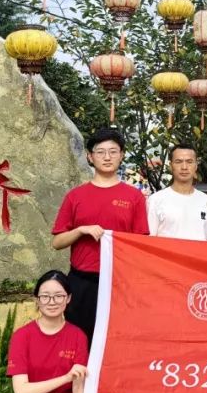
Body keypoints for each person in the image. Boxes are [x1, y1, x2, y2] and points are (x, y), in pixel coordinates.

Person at [51, 127, 148, 342]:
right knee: (79, 340)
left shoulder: (134, 197)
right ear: (90, 156)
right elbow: (57, 242)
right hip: (82, 282)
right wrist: (80, 230)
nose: (107, 157)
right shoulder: (75, 196)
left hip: (119, 282)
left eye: (113, 152)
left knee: (117, 341)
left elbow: (140, 245)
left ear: (122, 156)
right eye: (100, 152)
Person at [147, 144, 207, 241]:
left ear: (196, 166)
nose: (184, 167)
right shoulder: (155, 200)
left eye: (189, 162)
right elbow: (148, 241)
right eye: (178, 162)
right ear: (171, 166)